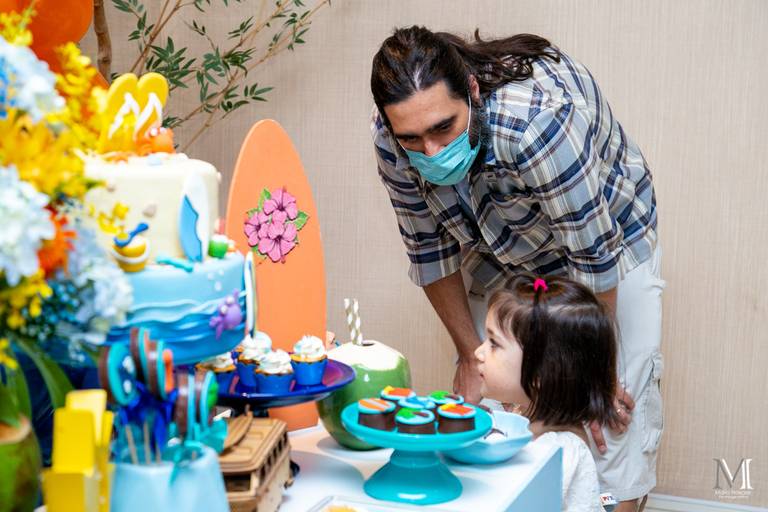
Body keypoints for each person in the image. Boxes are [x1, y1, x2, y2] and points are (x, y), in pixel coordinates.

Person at [370, 26, 663, 511]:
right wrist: (469, 355)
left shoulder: (534, 124)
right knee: (491, 404)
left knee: (610, 413)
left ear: (473, 90)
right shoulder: (390, 140)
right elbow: (429, 251)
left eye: (444, 128)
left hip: (605, 239)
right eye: (412, 139)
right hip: (497, 245)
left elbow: (592, 257)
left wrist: (595, 370)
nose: (432, 153)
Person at [477, 274, 619, 512]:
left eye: (494, 343)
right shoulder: (524, 420)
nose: (478, 353)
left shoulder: (559, 452)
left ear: (540, 375)